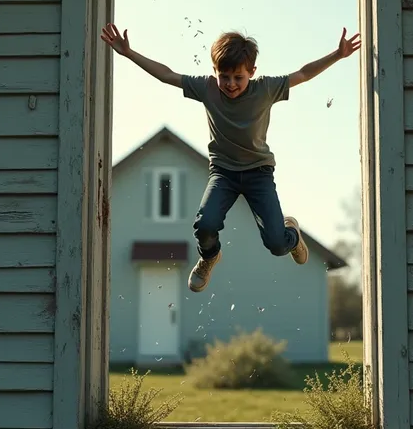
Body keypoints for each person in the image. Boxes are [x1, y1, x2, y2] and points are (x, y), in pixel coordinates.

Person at [101, 24, 361, 293]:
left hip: (258, 173)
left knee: (276, 244)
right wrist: (129, 53)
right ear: (215, 72)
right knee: (205, 224)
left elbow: (304, 73)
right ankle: (209, 257)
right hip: (223, 173)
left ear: (252, 72)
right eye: (224, 76)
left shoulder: (266, 88)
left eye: (238, 77)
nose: (231, 84)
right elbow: (167, 75)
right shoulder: (207, 88)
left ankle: (292, 235)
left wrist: (337, 55)